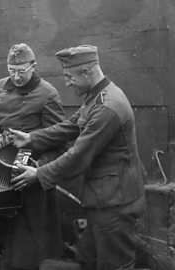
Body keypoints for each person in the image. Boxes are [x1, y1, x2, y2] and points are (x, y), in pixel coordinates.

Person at [9, 45, 146, 270]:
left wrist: (39, 173)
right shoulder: (96, 96)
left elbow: (78, 155)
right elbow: (71, 125)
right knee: (88, 260)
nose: (67, 82)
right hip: (103, 198)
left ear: (86, 72)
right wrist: (31, 138)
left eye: (69, 77)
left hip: (115, 203)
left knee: (115, 265)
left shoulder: (107, 107)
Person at [0, 43, 66, 270]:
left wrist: (39, 168)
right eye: (12, 70)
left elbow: (60, 142)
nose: (16, 76)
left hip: (28, 178)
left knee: (24, 247)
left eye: (22, 71)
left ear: (34, 66)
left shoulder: (48, 94)